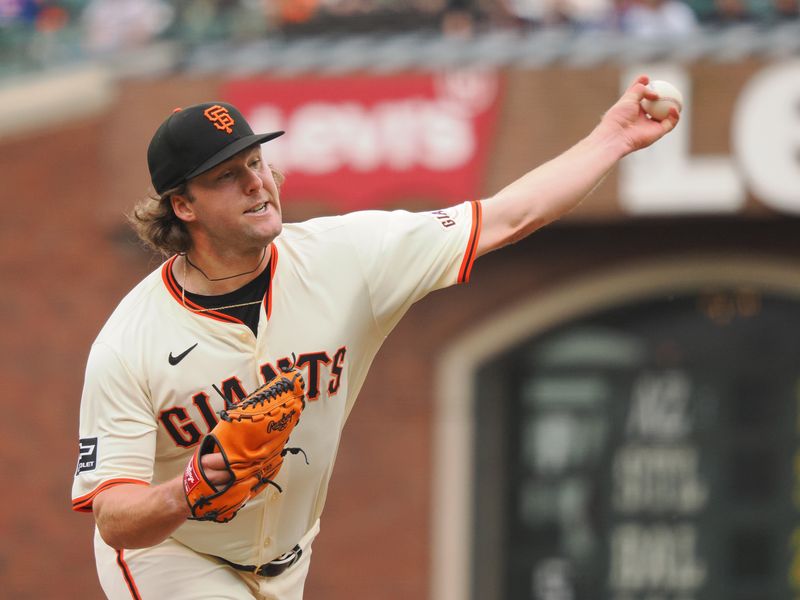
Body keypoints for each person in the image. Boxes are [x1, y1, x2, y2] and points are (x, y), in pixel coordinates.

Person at [71, 76, 679, 599]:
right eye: (229, 175)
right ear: (183, 206)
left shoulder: (346, 257)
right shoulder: (131, 341)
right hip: (172, 558)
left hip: (286, 561)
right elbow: (115, 517)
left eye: (256, 161)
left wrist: (615, 137)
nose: (258, 182)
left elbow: (509, 215)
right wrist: (193, 486)